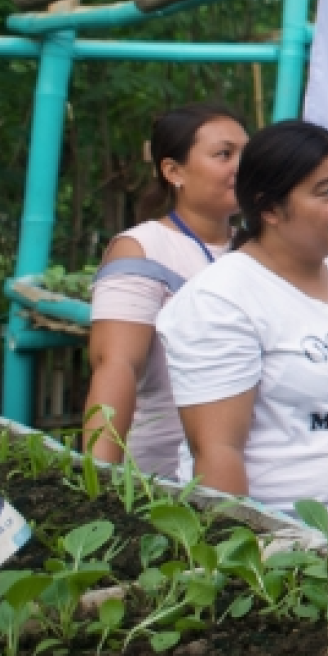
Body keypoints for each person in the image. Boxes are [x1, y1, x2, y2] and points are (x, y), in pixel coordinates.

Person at [157, 121, 328, 564]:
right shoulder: (222, 299)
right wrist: (244, 565)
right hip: (281, 559)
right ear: (269, 208)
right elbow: (216, 451)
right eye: (326, 192)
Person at [83, 104, 246, 479]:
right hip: (160, 479)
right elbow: (116, 366)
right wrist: (97, 482)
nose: (242, 166)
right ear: (173, 172)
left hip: (247, 476)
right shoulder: (143, 248)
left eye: (247, 154)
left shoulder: (262, 249)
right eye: (224, 154)